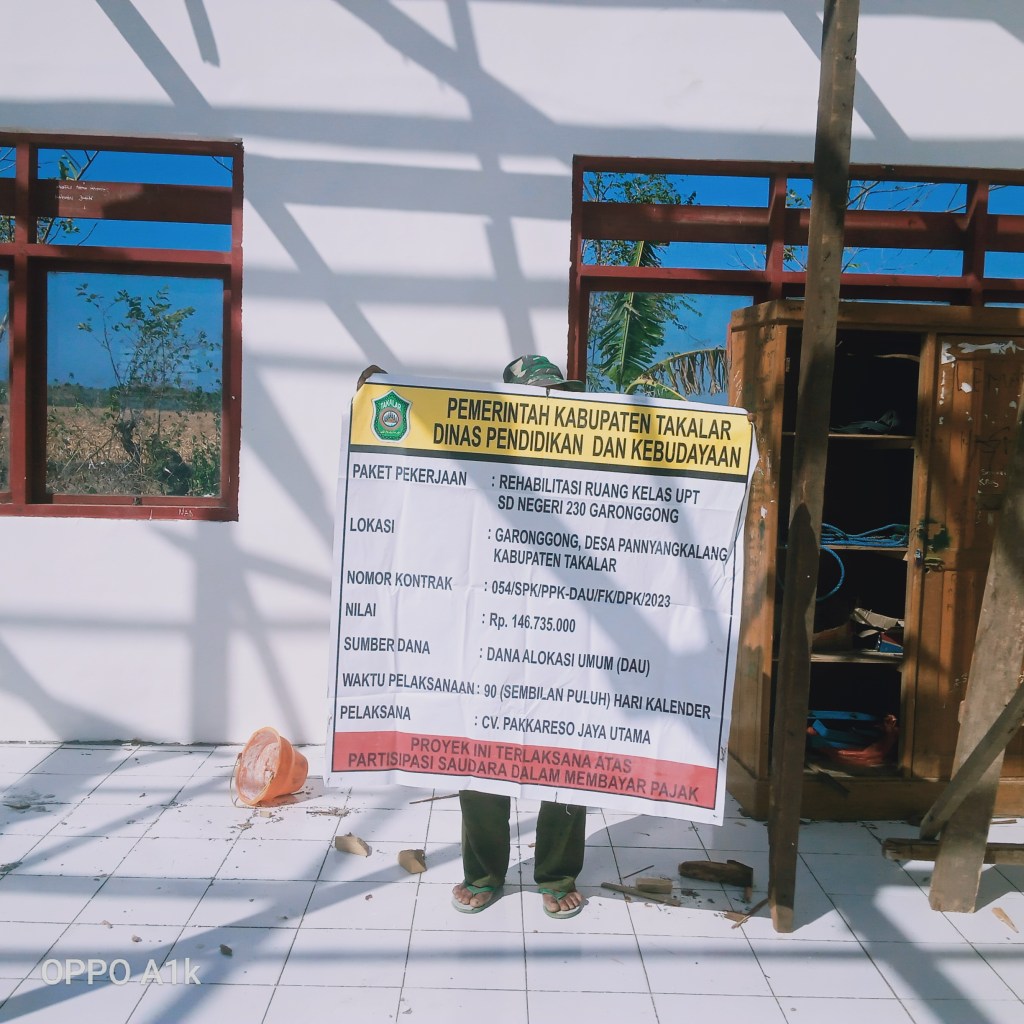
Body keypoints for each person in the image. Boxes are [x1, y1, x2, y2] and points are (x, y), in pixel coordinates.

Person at [451, 354, 588, 920]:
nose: (549, 407)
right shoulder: (477, 465)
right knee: (482, 749)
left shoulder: (590, 467)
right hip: (492, 628)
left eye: (557, 396)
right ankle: (484, 873)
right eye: (537, 397)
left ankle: (556, 873)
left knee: (568, 750)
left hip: (567, 632)